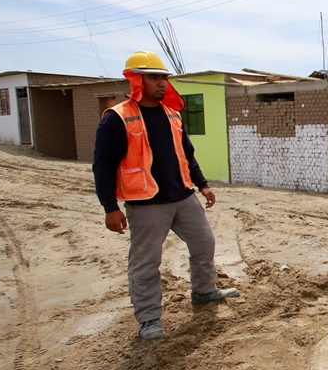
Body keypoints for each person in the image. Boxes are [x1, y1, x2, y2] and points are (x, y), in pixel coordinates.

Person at [93, 51, 238, 341]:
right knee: (146, 261)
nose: (161, 83)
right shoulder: (117, 118)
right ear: (137, 80)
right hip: (146, 203)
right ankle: (148, 319)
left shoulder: (172, 114)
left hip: (183, 196)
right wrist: (110, 207)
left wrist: (202, 184)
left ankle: (204, 291)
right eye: (154, 77)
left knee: (204, 242)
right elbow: (103, 165)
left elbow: (187, 154)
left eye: (164, 77)